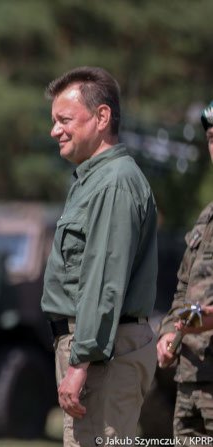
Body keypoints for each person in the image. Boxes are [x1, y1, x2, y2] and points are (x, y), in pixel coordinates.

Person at [40, 66, 158, 446]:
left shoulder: (115, 182)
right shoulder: (93, 180)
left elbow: (103, 280)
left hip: (102, 355)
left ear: (102, 117)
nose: (54, 130)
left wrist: (81, 360)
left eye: (64, 120)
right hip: (95, 351)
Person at [156, 100, 213, 442]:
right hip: (192, 377)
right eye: (211, 138)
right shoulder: (207, 215)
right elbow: (183, 288)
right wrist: (167, 334)